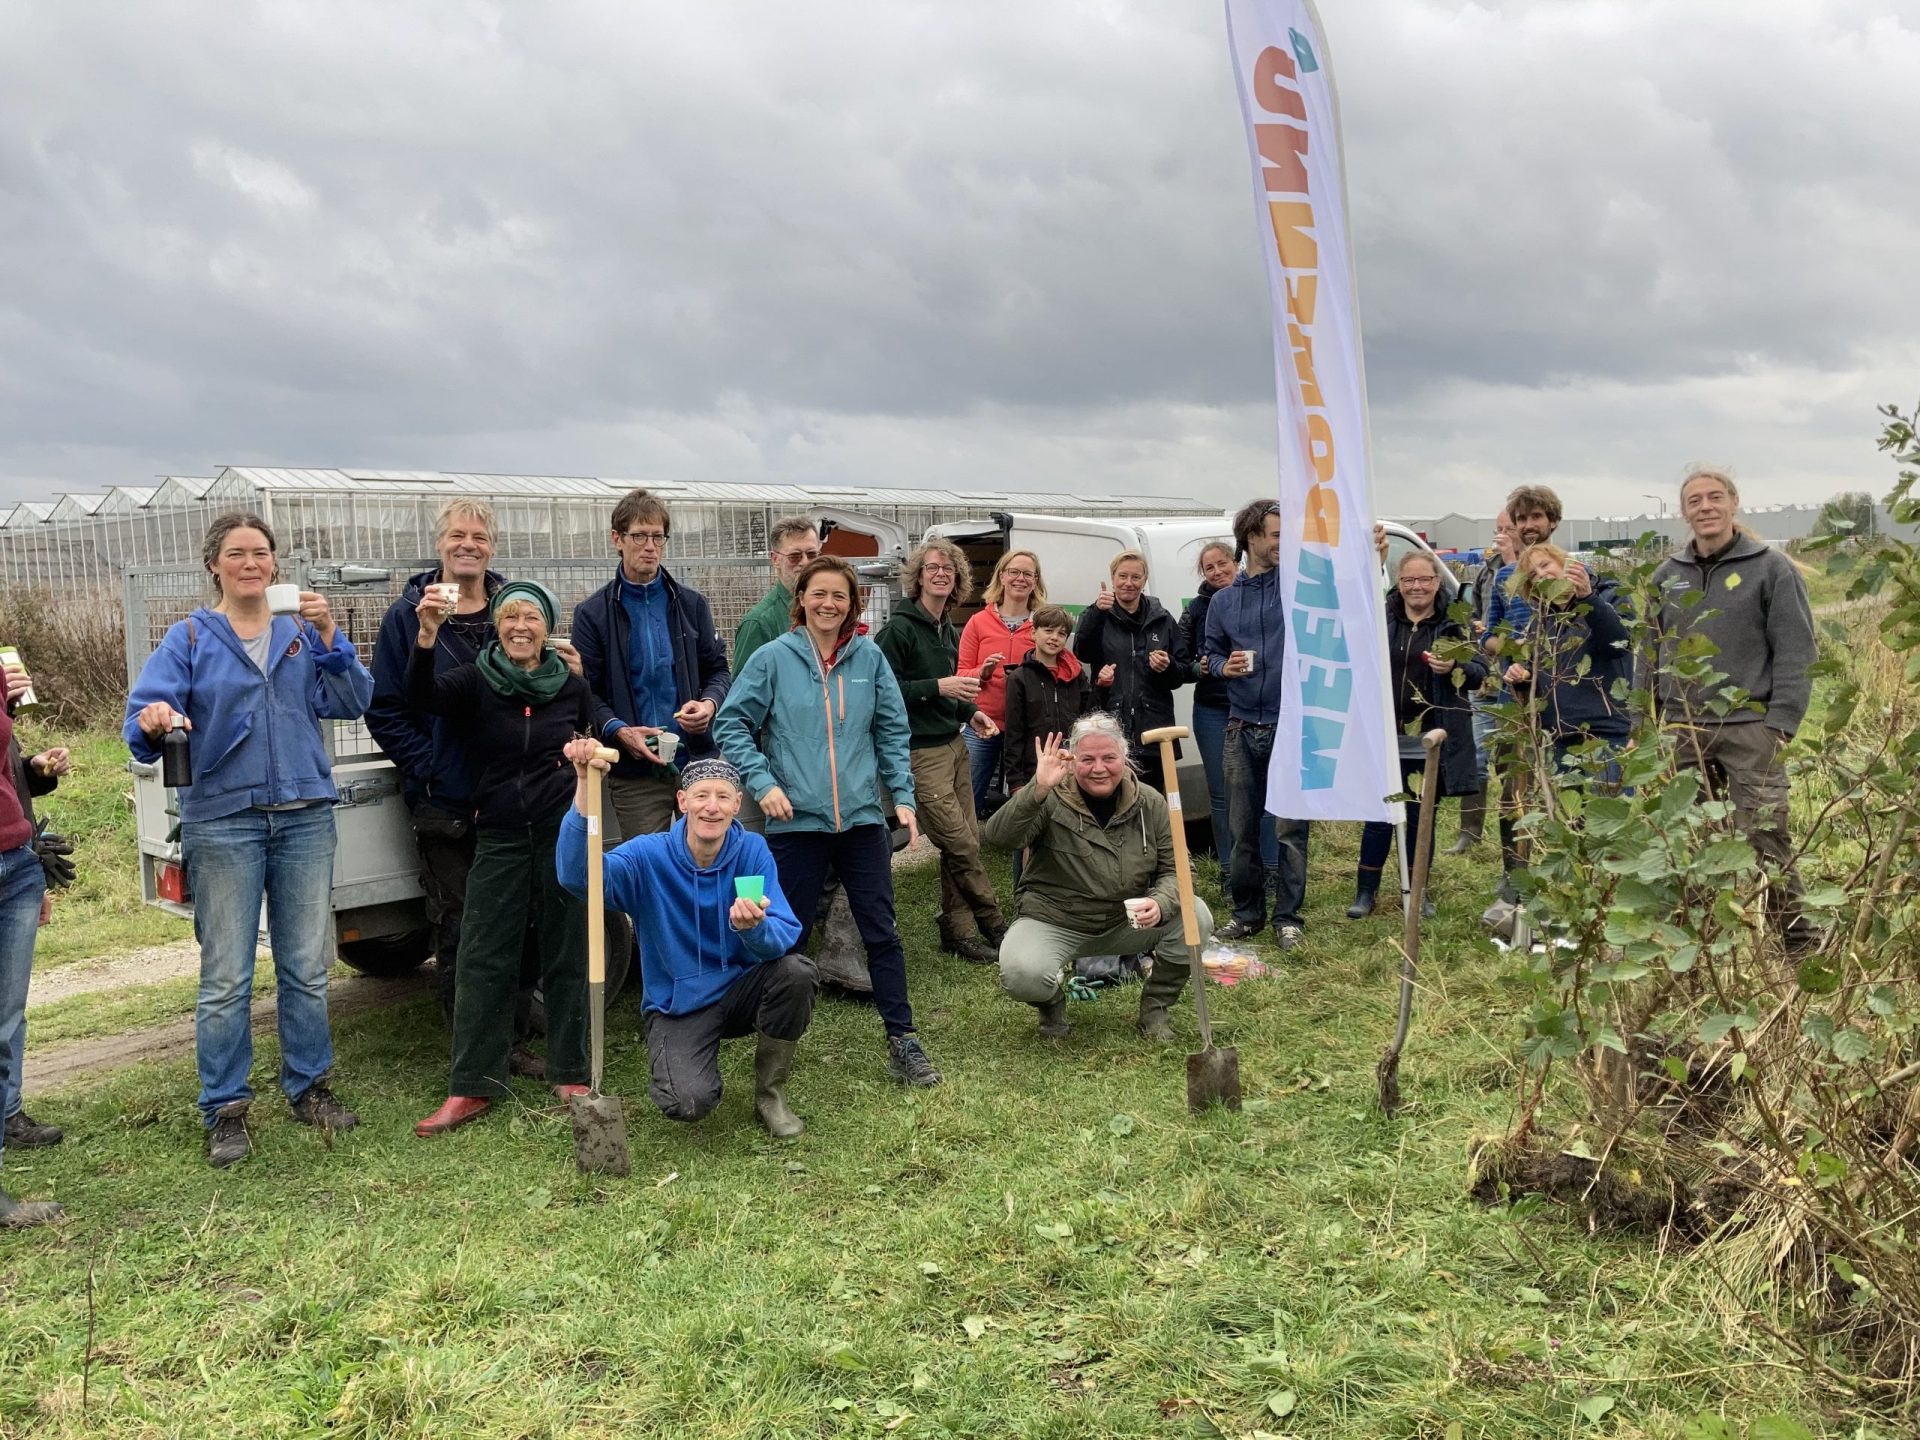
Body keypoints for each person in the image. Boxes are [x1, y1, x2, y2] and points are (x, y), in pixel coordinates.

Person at [125, 513, 373, 1168]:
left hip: (303, 815)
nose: (251, 563)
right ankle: (226, 1110)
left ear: (274, 563)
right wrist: (153, 719)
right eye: (236, 553)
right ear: (215, 564)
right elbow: (142, 720)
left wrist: (330, 635)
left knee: (304, 966)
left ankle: (309, 1087)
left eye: (261, 553)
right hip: (224, 820)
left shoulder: (297, 632)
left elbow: (350, 700)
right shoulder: (188, 638)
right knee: (228, 975)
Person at [717, 556, 943, 1085]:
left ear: (852, 603)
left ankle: (902, 1040)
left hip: (862, 821)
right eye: (818, 593)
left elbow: (890, 729)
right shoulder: (774, 658)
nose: (828, 604)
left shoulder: (869, 658)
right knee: (787, 939)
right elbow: (732, 722)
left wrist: (903, 797)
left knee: (880, 931)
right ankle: (774, 1053)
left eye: (839, 595)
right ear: (802, 600)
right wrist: (764, 782)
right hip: (796, 822)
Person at [407, 580, 595, 1137]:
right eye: (509, 616)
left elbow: (588, 735)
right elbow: (421, 699)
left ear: (548, 627)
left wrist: (587, 754)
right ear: (496, 624)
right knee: (482, 955)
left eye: (531, 618)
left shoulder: (571, 684)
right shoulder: (476, 680)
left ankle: (570, 1071)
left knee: (567, 950)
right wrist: (426, 636)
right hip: (499, 835)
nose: (519, 626)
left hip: (562, 832)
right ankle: (471, 1086)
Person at [558, 749, 815, 1134]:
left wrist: (754, 929)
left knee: (797, 972)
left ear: (736, 804)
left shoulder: (751, 851)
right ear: (682, 801)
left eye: (723, 797)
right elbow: (579, 877)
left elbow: (783, 935)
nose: (711, 807)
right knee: (687, 1102)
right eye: (701, 795)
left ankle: (770, 1094)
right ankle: (689, 1066)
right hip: (679, 1005)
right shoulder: (648, 856)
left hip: (740, 990)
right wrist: (583, 783)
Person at [366, 499, 527, 1031]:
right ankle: (471, 1044)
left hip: (511, 793)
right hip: (448, 803)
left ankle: (512, 1030)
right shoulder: (406, 616)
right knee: (460, 923)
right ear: (440, 544)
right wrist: (430, 765)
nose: (468, 545)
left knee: (514, 916)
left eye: (479, 537)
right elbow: (385, 709)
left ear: (492, 547)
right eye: (458, 535)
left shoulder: (514, 610)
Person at [1649, 466, 1818, 950]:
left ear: (1733, 503)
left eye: (1714, 497)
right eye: (1695, 500)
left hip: (1751, 727)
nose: (1705, 507)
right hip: (1683, 728)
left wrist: (1780, 725)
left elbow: (1797, 650)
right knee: (1687, 840)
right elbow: (1650, 649)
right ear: (1683, 512)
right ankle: (1699, 946)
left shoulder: (1771, 568)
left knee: (1766, 838)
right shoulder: (1667, 576)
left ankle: (1798, 940)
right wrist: (1651, 722)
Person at [982, 716, 1210, 1041]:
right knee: (1021, 973)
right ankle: (1051, 1005)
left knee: (1195, 915)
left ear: (1124, 758)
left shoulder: (1150, 803)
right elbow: (999, 838)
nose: (1099, 768)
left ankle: (1155, 1009)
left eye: (1109, 758)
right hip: (1055, 920)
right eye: (1087, 759)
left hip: (1125, 922)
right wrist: (1037, 788)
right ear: (1072, 760)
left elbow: (1179, 870)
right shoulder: (1050, 798)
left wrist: (1160, 903)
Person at [571, 488, 732, 845]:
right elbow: (586, 692)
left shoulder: (690, 604)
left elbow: (719, 670)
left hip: (695, 760)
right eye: (639, 536)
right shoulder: (593, 614)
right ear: (617, 539)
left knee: (708, 861)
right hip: (635, 773)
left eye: (657, 537)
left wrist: (708, 705)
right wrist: (619, 730)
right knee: (649, 872)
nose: (649, 546)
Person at [875, 538, 1008, 968]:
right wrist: (940, 688)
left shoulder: (945, 626)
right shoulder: (898, 629)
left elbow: (949, 685)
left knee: (963, 842)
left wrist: (971, 713)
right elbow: (881, 691)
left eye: (948, 569)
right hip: (919, 753)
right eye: (932, 567)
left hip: (953, 746)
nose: (940, 573)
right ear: (918, 576)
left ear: (957, 580)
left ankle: (959, 931)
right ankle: (997, 926)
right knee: (962, 844)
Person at [1348, 550, 1488, 918]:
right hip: (1387, 733)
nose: (1416, 587)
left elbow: (1480, 670)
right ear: (1399, 583)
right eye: (1408, 580)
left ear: (1437, 581)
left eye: (1424, 579)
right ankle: (1366, 893)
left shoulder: (1454, 623)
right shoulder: (1382, 618)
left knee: (1419, 815)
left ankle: (1417, 890)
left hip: (1431, 738)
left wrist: (1456, 665)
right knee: (1380, 815)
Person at [1201, 499, 1311, 951]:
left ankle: (1288, 917)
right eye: (1278, 534)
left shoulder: (1300, 589)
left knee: (1289, 830)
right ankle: (1247, 914)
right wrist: (1223, 666)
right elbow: (1208, 655)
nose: (1285, 542)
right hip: (1240, 727)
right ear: (1252, 538)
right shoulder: (1223, 602)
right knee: (1242, 828)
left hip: (1290, 726)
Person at [0, 657, 63, 1225]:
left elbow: (4, 772)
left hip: (12, 863)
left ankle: (8, 1117)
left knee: (7, 1019)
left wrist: (33, 770)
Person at [1504, 543, 1632, 779]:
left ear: (1565, 563)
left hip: (1604, 734)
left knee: (1610, 806)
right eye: (1533, 574)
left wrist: (1589, 599)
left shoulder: (1609, 595)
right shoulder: (1541, 620)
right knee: (1570, 815)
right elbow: (1538, 671)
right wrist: (1521, 676)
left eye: (1545, 565)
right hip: (1560, 736)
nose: (1541, 574)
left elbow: (1619, 644)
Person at [1071, 549, 1187, 784]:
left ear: (1144, 580)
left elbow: (1181, 674)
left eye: (1136, 577)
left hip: (1154, 728)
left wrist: (1168, 666)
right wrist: (1096, 613)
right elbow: (1082, 652)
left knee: (1152, 800)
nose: (1129, 583)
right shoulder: (1097, 614)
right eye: (1122, 576)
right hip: (1110, 724)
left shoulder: (1162, 619)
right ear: (1112, 578)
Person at [957, 549, 1047, 814]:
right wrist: (982, 673)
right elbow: (960, 673)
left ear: (1035, 580)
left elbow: (1057, 669)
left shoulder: (1042, 623)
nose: (1020, 579)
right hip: (985, 722)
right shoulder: (978, 622)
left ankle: (1026, 849)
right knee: (969, 793)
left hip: (1028, 725)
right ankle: (962, 849)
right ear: (1002, 577)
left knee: (1030, 795)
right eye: (1014, 572)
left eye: (1027, 574)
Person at [1450, 511, 1515, 855]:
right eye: (1498, 530)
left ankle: (1514, 836)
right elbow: (1474, 612)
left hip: (1518, 677)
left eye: (1509, 529)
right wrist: (1477, 630)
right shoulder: (1486, 571)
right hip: (1487, 673)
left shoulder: (1532, 567)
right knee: (1477, 751)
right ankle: (1469, 831)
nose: (1501, 535)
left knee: (1511, 758)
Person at [1001, 606, 1092, 793]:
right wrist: (1016, 782)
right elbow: (1013, 733)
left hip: (1071, 769)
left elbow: (1088, 718)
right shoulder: (1019, 678)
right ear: (1034, 633)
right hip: (1033, 772)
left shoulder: (1077, 675)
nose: (1054, 638)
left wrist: (1102, 687)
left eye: (1061, 634)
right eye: (1048, 631)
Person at [734, 515, 822, 669]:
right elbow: (744, 689)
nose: (805, 562)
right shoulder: (759, 623)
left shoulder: (829, 610)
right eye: (795, 556)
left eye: (812, 555)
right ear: (775, 559)